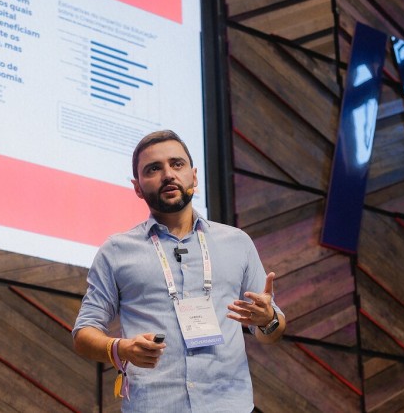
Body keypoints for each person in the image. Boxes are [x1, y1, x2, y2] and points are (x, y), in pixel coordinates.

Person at [72, 130, 286, 412]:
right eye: (154, 169)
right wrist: (120, 349)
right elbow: (83, 334)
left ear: (194, 177)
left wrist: (267, 319)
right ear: (137, 187)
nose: (168, 175)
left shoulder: (237, 243)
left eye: (177, 164)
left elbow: (272, 333)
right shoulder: (116, 251)